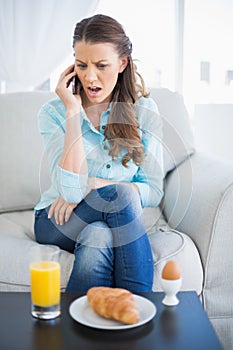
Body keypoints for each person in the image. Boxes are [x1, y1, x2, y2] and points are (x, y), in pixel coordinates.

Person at [34, 14, 164, 293]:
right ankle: (140, 313)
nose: (89, 76)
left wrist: (96, 185)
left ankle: (79, 331)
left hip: (105, 219)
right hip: (57, 220)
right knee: (124, 194)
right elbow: (69, 194)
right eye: (81, 65)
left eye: (101, 65)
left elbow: (153, 190)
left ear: (122, 63)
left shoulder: (144, 111)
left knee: (99, 236)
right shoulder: (52, 113)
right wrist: (72, 112)